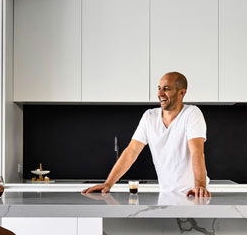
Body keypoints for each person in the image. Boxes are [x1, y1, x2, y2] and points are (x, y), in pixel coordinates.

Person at [82, 72, 211, 199]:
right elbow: (131, 151)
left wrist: (200, 185)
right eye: (159, 88)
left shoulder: (192, 114)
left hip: (194, 193)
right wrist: (108, 184)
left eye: (166, 89)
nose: (160, 94)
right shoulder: (149, 117)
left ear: (182, 93)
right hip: (166, 193)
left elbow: (197, 152)